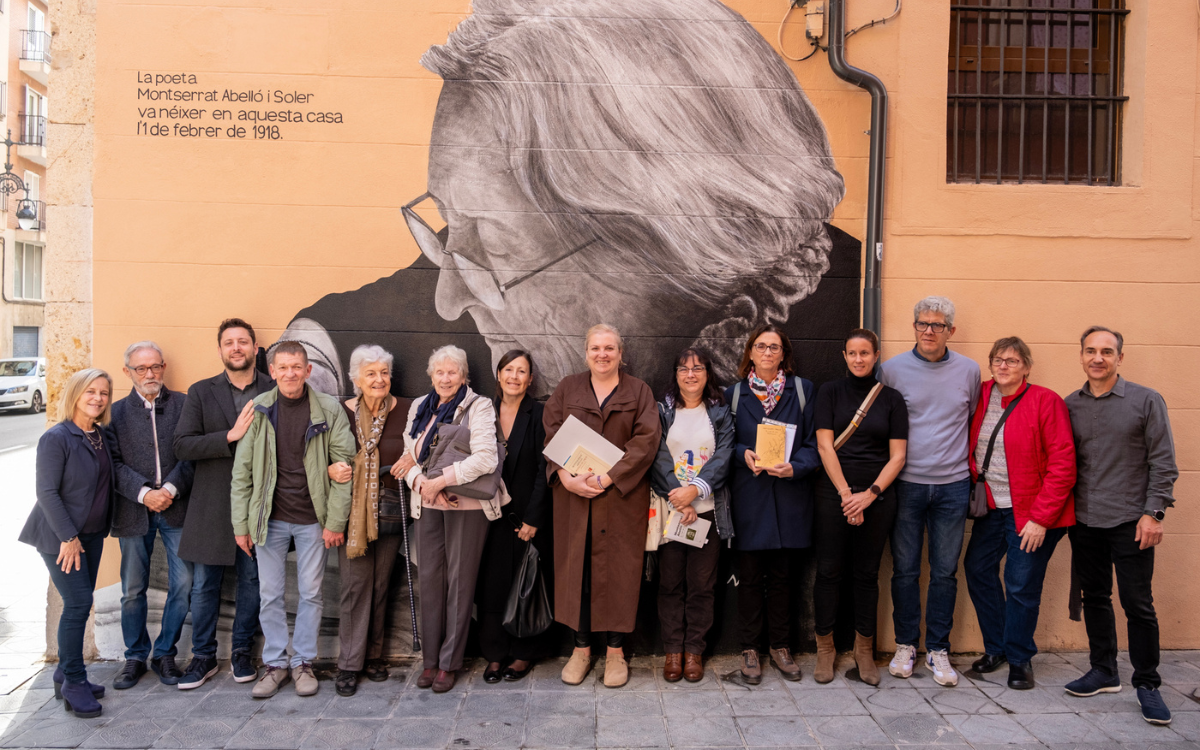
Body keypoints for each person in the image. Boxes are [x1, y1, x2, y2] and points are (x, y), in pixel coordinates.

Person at [278, 0, 860, 402]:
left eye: (496, 242)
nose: (447, 299)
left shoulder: (828, 331)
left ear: (668, 247)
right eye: (450, 224)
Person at [1064, 326, 1178, 725]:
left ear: (1120, 358)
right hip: (1085, 520)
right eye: (1091, 351)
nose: (1098, 358)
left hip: (1132, 520)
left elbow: (1163, 463)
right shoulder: (1069, 405)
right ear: (1081, 356)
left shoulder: (1146, 401)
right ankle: (1104, 670)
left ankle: (1147, 683)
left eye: (1107, 352)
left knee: (1137, 604)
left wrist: (1155, 513)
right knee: (1094, 597)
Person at [230, 340, 355, 699]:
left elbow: (344, 467)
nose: (289, 374)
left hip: (313, 519)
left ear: (308, 370)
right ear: (272, 371)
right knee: (270, 594)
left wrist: (335, 522)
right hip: (268, 519)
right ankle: (275, 664)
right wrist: (241, 526)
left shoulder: (329, 409)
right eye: (282, 367)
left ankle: (302, 662)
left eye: (296, 367)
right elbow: (243, 474)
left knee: (312, 593)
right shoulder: (259, 409)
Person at [544, 324, 660, 689]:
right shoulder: (568, 388)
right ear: (586, 352)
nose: (602, 354)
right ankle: (581, 650)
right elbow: (551, 431)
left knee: (618, 575)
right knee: (577, 573)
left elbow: (646, 441)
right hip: (575, 498)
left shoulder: (638, 391)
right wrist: (564, 476)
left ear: (621, 354)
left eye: (609, 348)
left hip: (620, 499)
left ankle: (614, 652)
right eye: (596, 348)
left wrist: (609, 477)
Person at [877, 296, 981, 687]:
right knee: (904, 570)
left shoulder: (969, 371)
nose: (929, 331)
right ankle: (906, 644)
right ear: (914, 326)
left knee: (944, 572)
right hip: (906, 485)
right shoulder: (892, 370)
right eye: (923, 323)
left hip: (953, 486)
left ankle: (938, 649)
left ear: (950, 331)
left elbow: (970, 421)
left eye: (937, 325)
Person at [963, 337, 1075, 691]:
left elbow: (1063, 464)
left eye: (1012, 361)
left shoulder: (1046, 401)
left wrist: (1041, 519)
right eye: (997, 359)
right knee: (977, 568)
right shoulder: (981, 394)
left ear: (1027, 366)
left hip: (1032, 512)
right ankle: (997, 648)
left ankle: (1020, 658)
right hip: (992, 508)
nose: (1003, 366)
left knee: (1021, 583)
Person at [401, 345, 509, 694]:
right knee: (430, 583)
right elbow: (407, 457)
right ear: (431, 376)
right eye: (439, 372)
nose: (445, 379)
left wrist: (439, 481)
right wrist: (421, 483)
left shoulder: (478, 406)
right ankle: (429, 660)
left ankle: (450, 663)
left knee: (460, 585)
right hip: (428, 505)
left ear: (464, 376)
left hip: (468, 508)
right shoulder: (420, 407)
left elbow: (486, 459)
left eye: (452, 372)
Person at [174, 318, 273, 689]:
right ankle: (203, 657)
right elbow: (182, 445)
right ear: (220, 350)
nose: (236, 348)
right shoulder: (200, 392)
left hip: (259, 505)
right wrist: (229, 437)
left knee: (252, 581)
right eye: (229, 342)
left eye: (243, 342)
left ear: (253, 347)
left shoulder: (274, 388)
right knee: (204, 586)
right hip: (211, 505)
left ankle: (243, 651)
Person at [723, 324, 819, 685]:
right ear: (750, 352)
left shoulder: (802, 390)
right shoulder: (734, 395)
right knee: (749, 579)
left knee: (782, 579)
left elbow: (814, 445)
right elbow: (724, 443)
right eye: (760, 346)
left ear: (783, 354)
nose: (766, 352)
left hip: (790, 499)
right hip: (750, 499)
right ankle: (750, 648)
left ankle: (780, 646)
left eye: (774, 347)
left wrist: (796, 466)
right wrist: (741, 453)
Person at [813, 329, 907, 686]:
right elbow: (824, 447)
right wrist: (845, 495)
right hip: (832, 495)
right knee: (829, 572)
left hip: (877, 497)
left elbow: (898, 456)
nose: (858, 359)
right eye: (852, 353)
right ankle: (825, 650)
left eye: (865, 353)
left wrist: (868, 494)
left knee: (867, 575)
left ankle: (864, 651)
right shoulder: (829, 392)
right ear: (844, 355)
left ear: (876, 355)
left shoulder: (892, 399)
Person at [19, 368, 114, 718]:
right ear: (75, 394)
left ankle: (64, 672)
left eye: (103, 393)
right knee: (77, 604)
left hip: (91, 535)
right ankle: (74, 680)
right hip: (61, 538)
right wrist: (68, 537)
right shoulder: (57, 437)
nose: (97, 398)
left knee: (81, 603)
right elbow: (46, 491)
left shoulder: (99, 435)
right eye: (90, 391)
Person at [107, 342, 194, 690]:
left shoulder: (186, 405)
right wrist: (145, 493)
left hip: (177, 506)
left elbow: (192, 455)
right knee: (132, 588)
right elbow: (111, 465)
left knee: (184, 583)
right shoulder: (113, 414)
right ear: (127, 371)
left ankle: (164, 653)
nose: (149, 374)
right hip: (133, 509)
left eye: (155, 367)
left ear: (164, 367)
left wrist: (169, 490)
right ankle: (134, 655)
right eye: (141, 368)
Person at [325, 345, 411, 697]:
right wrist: (332, 468)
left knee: (380, 587)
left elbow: (420, 445)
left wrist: (412, 459)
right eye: (371, 373)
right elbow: (322, 455)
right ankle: (349, 664)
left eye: (384, 373)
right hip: (351, 515)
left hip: (390, 511)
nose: (379, 380)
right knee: (355, 588)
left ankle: (374, 656)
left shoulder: (406, 410)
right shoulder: (339, 412)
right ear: (356, 379)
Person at [650, 348, 734, 683]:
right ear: (675, 374)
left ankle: (694, 651)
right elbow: (656, 455)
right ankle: (673, 651)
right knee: (670, 584)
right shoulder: (662, 412)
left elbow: (724, 455)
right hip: (672, 514)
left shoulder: (719, 413)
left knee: (702, 585)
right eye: (683, 368)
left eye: (698, 368)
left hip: (708, 514)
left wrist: (695, 490)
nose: (691, 374)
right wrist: (679, 497)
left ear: (707, 373)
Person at [475, 350, 554, 684]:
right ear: (498, 373)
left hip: (525, 517)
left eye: (522, 371)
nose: (514, 377)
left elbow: (544, 470)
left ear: (530, 379)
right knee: (491, 585)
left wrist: (534, 517)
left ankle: (523, 654)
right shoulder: (482, 411)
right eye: (509, 369)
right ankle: (494, 654)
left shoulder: (539, 414)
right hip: (486, 515)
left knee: (526, 583)